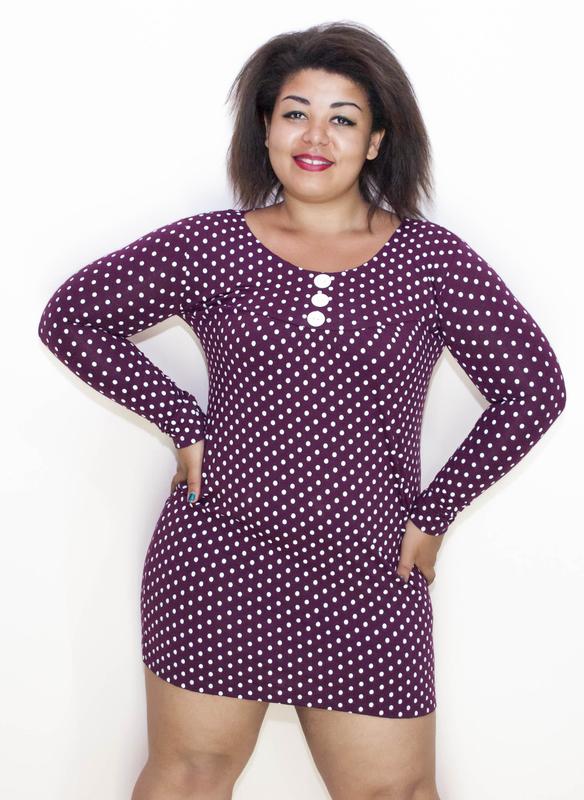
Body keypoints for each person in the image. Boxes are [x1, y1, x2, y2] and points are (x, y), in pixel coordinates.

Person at [37, 20, 566, 800]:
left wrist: (436, 511)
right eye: (295, 113)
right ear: (265, 129)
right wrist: (182, 422)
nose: (315, 136)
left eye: (342, 118)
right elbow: (72, 318)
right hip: (219, 557)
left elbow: (533, 390)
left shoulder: (432, 262)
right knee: (190, 775)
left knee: (393, 792)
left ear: (377, 140)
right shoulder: (214, 247)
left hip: (368, 571)